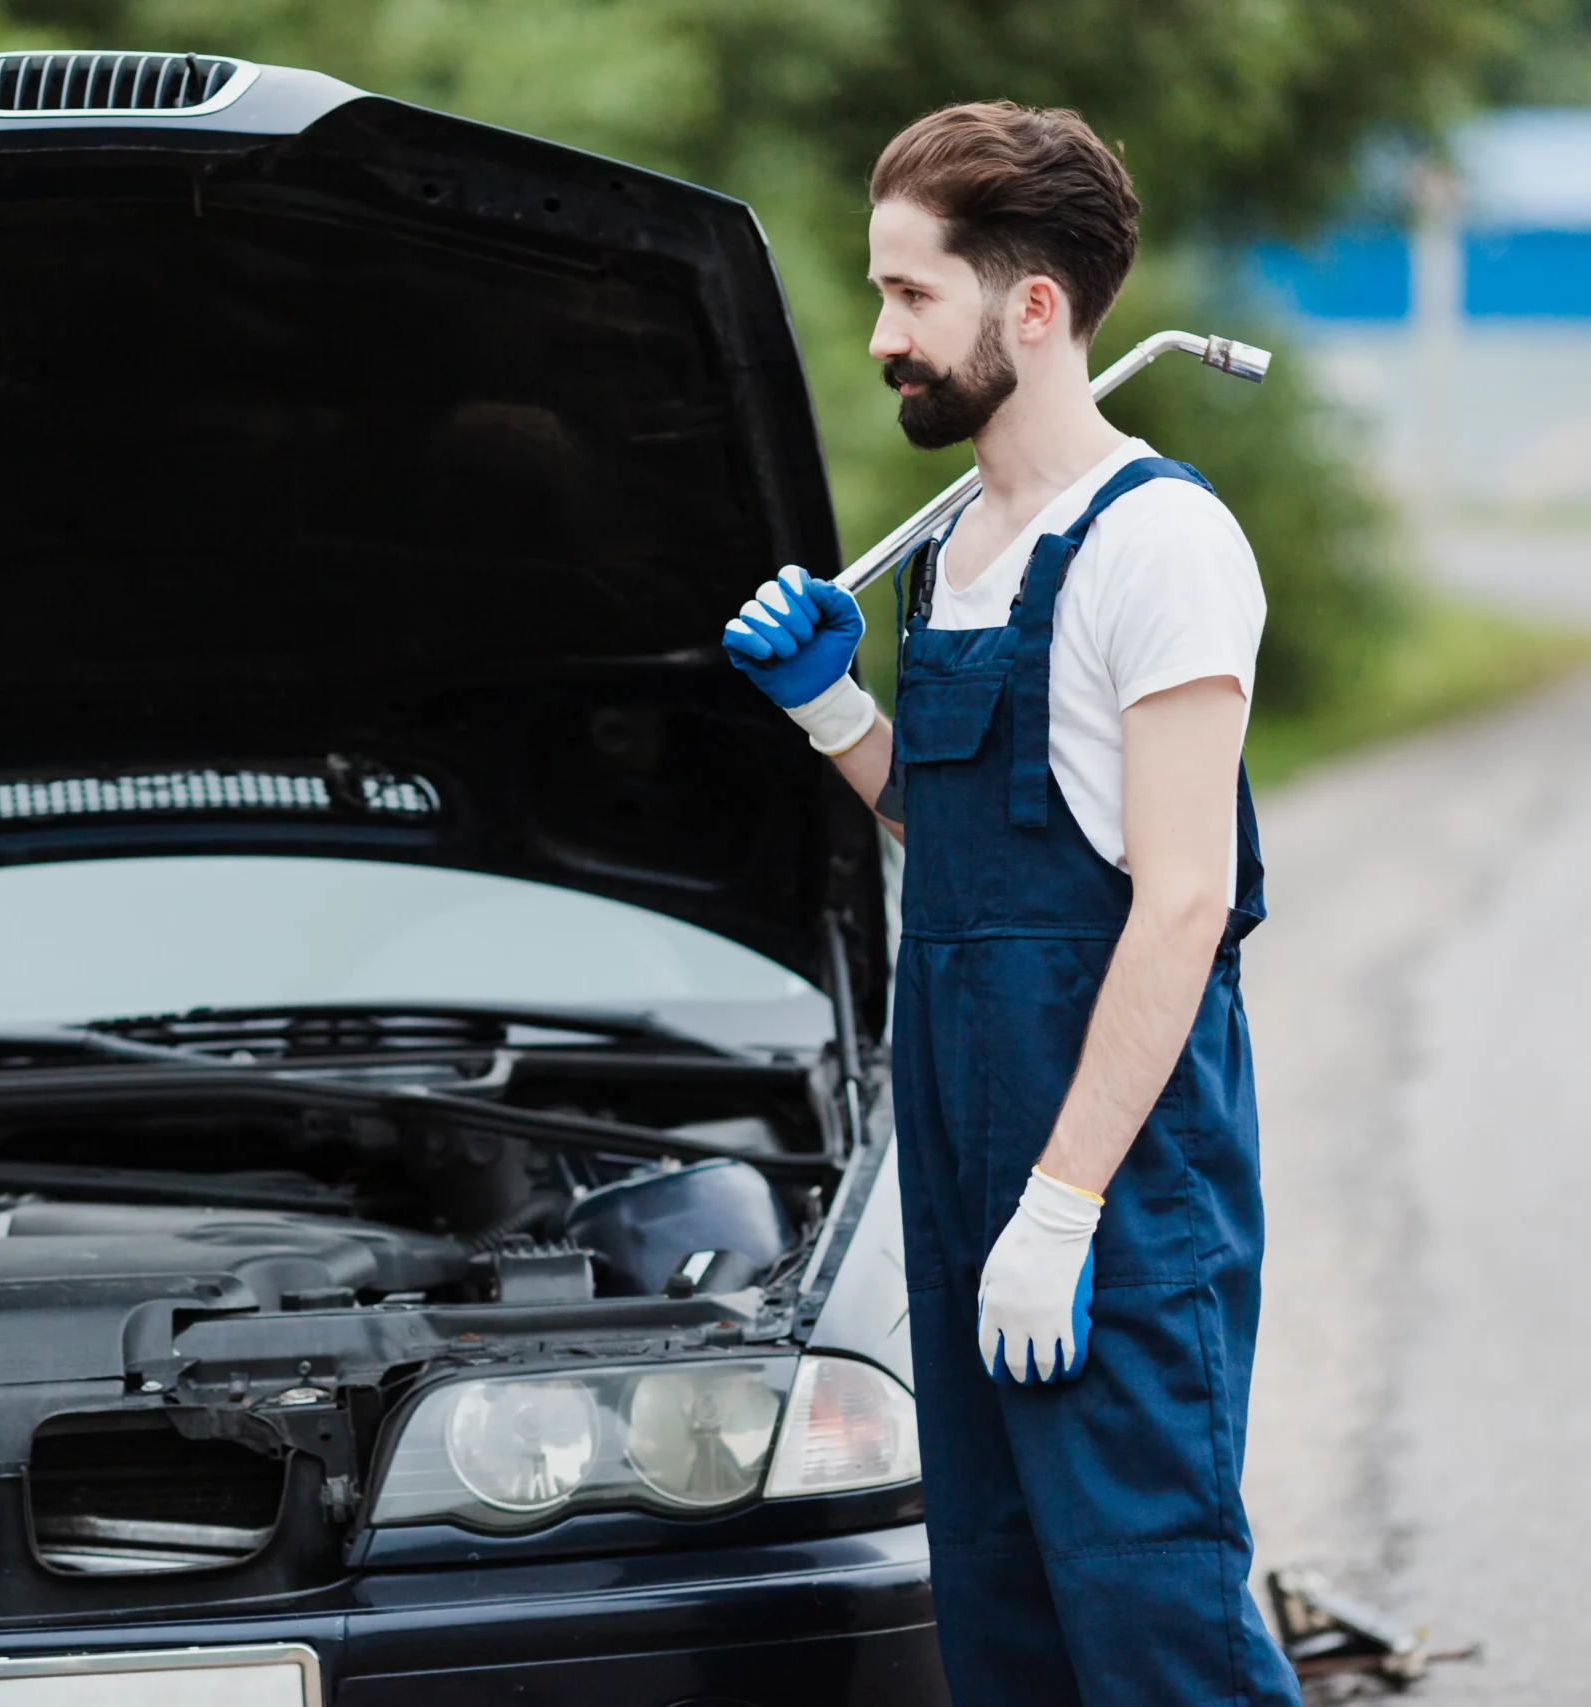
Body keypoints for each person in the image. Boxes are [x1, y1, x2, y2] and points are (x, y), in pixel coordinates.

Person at [721, 104, 1299, 1704]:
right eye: (882, 294)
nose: (882, 337)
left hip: (1116, 1176)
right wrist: (833, 712)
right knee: (1004, 1609)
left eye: (912, 294)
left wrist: (1062, 1205)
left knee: (1154, 1615)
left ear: (1031, 307)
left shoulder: (1158, 544)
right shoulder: (954, 550)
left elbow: (1180, 902)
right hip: (965, 1149)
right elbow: (969, 828)